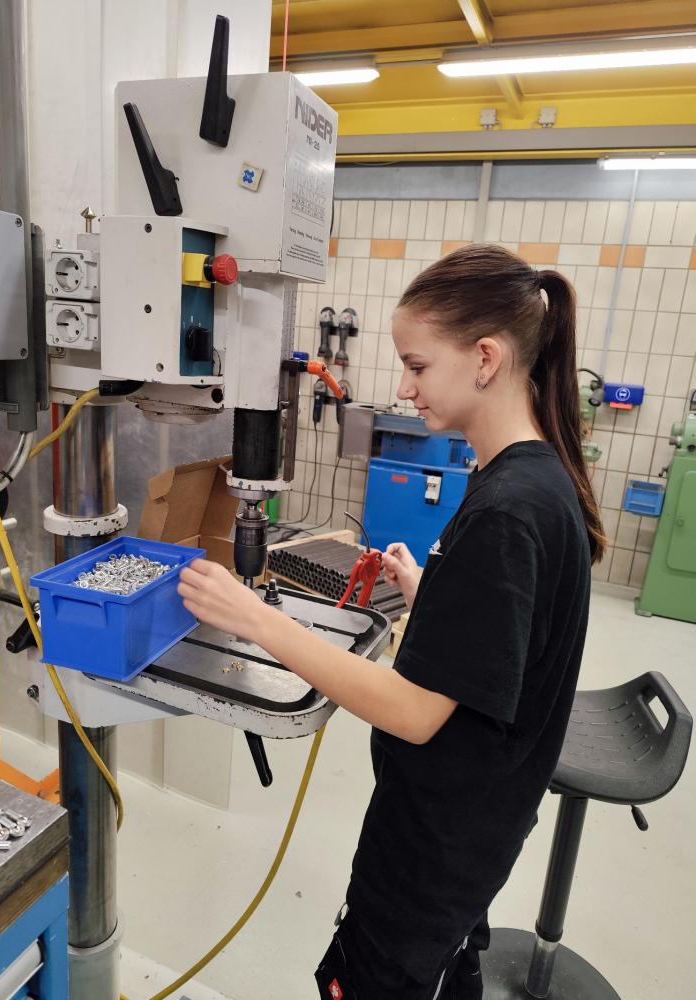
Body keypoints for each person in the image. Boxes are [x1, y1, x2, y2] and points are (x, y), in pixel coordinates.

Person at [178, 244, 604, 1000]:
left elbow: (413, 713)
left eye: (417, 365)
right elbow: (510, 632)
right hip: (468, 836)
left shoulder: (508, 511)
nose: (404, 388)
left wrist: (256, 620)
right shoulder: (534, 478)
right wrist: (434, 593)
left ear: (485, 359)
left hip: (433, 855)